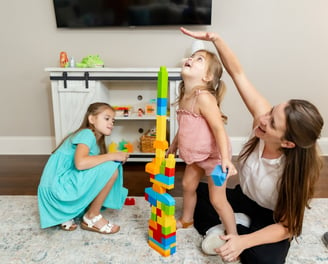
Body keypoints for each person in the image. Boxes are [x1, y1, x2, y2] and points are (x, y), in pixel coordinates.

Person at [180, 27, 324, 263]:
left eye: (272, 122)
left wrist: (243, 241)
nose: (262, 118)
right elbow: (237, 74)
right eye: (271, 110)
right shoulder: (263, 117)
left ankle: (234, 232)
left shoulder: (297, 173)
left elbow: (288, 226)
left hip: (271, 216)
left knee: (264, 260)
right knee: (193, 193)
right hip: (244, 198)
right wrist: (215, 39)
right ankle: (232, 225)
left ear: (287, 143)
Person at [167, 43, 238, 237]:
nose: (191, 59)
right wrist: (174, 145)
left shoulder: (204, 98)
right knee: (188, 186)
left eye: (199, 59)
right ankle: (187, 219)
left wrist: (225, 159)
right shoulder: (185, 96)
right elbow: (184, 127)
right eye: (192, 56)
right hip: (197, 157)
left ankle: (233, 235)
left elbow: (218, 129)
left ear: (207, 77)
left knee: (217, 199)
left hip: (216, 160)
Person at [38, 102, 129, 234]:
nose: (111, 123)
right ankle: (91, 217)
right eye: (107, 118)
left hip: (56, 188)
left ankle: (67, 213)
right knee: (111, 168)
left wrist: (112, 157)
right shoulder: (87, 133)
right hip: (56, 190)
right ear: (91, 119)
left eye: (113, 120)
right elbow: (80, 163)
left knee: (109, 166)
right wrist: (111, 156)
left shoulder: (94, 140)